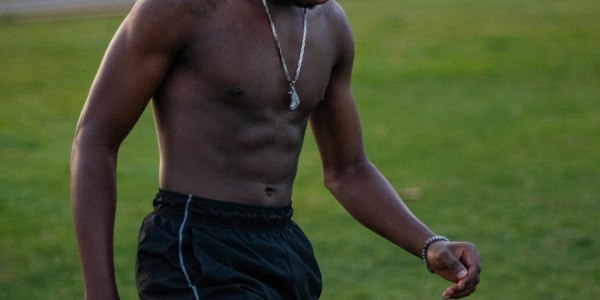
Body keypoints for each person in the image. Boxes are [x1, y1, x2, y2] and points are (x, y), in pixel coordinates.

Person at [70, 0, 481, 299]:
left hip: (283, 248)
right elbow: (95, 138)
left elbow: (348, 170)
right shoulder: (183, 9)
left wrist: (430, 244)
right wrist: (99, 292)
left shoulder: (331, 27)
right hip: (195, 246)